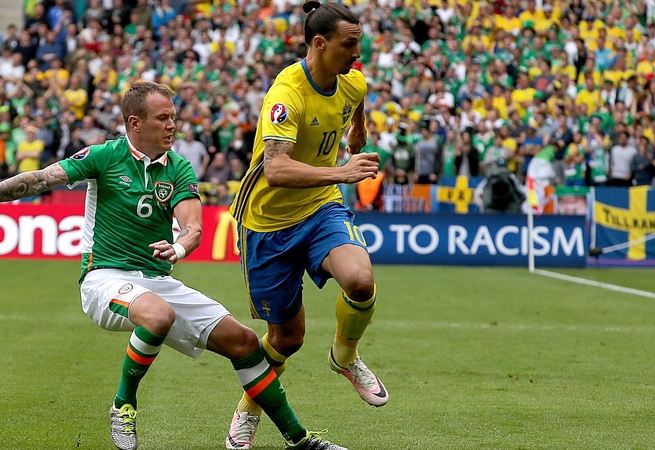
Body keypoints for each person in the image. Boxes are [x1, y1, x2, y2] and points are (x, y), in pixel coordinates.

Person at [0, 82, 345, 450]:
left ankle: (299, 440)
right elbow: (39, 179)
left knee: (244, 342)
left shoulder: (178, 167)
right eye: (163, 118)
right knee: (158, 314)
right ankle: (123, 405)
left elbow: (194, 228)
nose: (172, 126)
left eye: (173, 118)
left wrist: (178, 249)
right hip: (104, 279)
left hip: (157, 281)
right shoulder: (104, 156)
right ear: (135, 123)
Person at [226, 1, 387, 448]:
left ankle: (345, 357)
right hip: (268, 223)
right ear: (319, 43)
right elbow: (276, 170)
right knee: (287, 338)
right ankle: (249, 407)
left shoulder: (352, 79)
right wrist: (344, 170)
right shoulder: (286, 96)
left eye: (359, 42)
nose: (358, 53)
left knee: (359, 280)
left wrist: (358, 129)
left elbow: (356, 95)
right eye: (349, 44)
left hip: (320, 208)